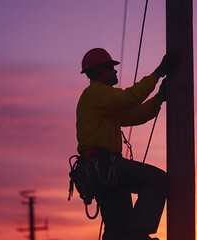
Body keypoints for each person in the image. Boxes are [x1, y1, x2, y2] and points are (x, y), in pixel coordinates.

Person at [76, 48, 178, 240]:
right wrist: (159, 72)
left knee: (117, 231)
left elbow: (133, 115)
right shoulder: (95, 93)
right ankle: (138, 234)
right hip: (106, 166)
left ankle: (132, 236)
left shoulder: (102, 101)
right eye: (112, 69)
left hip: (101, 173)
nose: (116, 72)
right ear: (101, 71)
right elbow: (130, 98)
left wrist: (158, 99)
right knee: (157, 181)